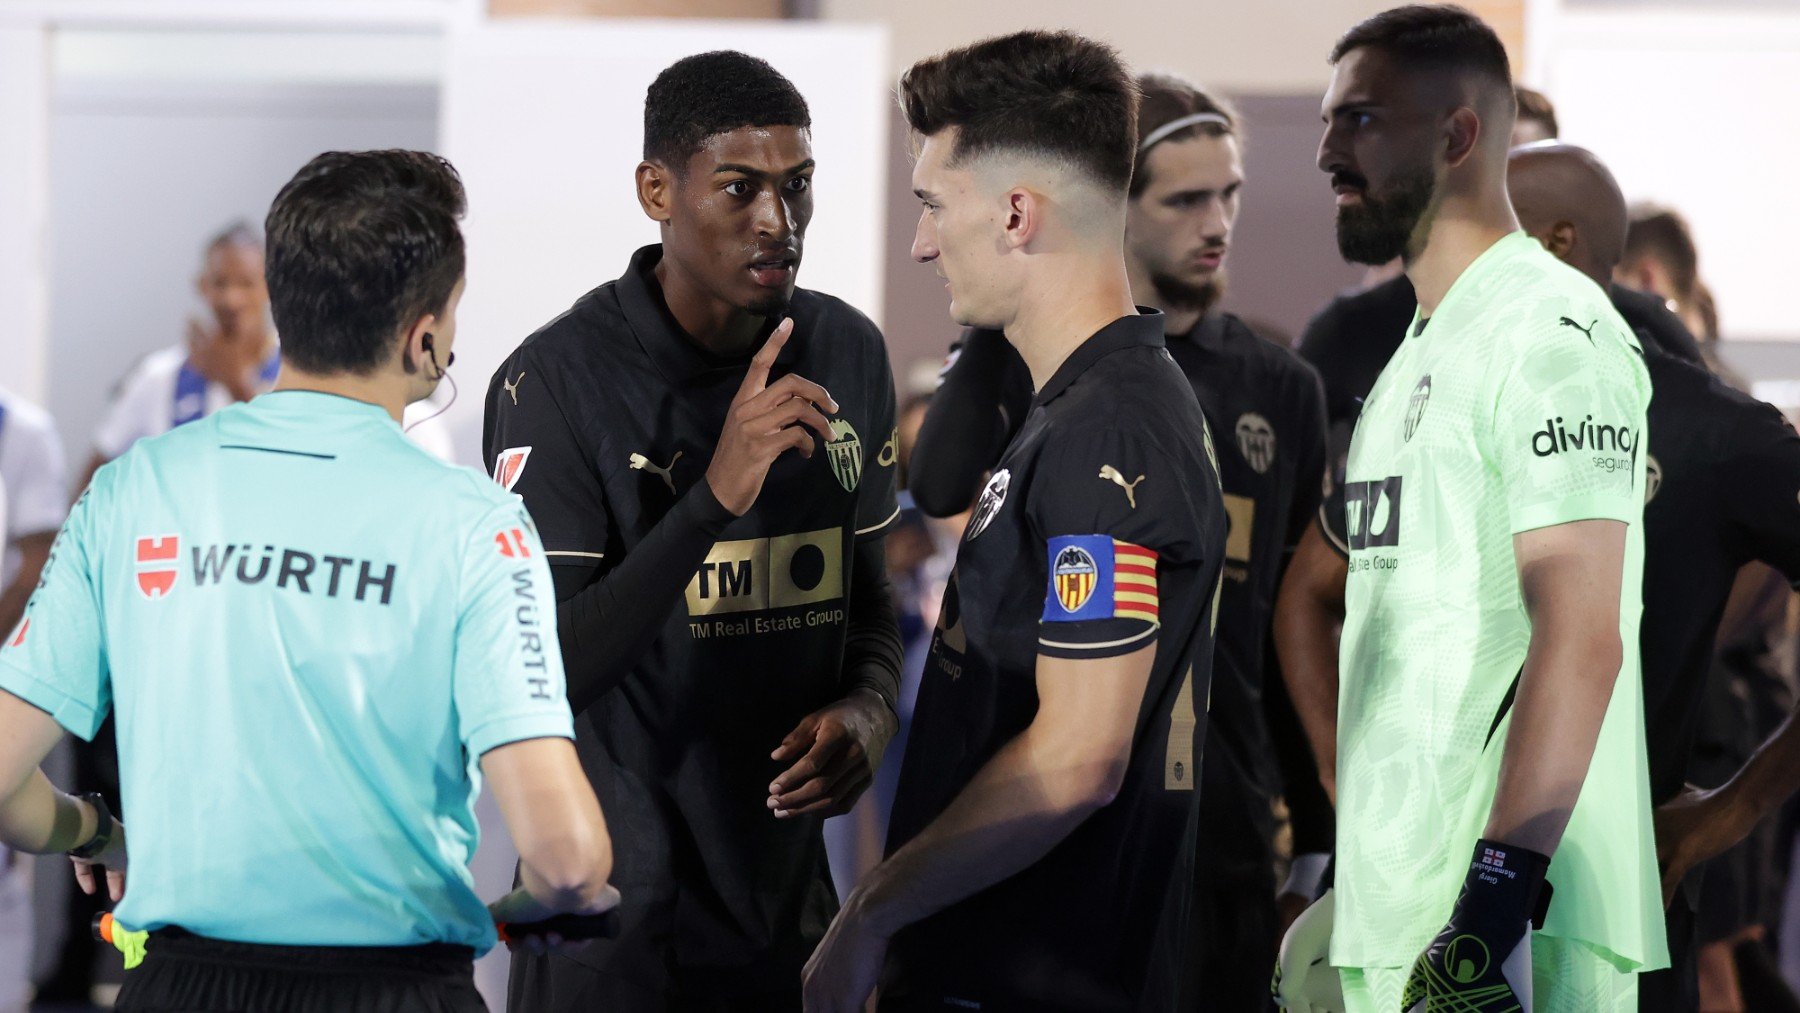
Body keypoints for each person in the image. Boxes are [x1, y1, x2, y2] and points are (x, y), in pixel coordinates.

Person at [0, 149, 615, 1012]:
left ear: (283, 305)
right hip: (398, 990)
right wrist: (524, 912)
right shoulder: (477, 524)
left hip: (177, 986)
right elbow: (569, 856)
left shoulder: (132, 489)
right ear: (425, 336)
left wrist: (100, 832)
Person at [1275, 138, 1800, 1013]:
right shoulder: (1427, 393)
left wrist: (1733, 810)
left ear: (1552, 243)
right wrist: (1346, 788)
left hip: (1600, 912)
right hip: (1413, 898)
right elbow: (1308, 589)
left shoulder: (1713, 430)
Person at [802, 31, 1227, 1013]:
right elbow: (940, 473)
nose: (920, 241)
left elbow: (1079, 755)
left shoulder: (1112, 424)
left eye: (932, 205)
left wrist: (870, 908)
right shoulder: (1076, 404)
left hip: (1043, 977)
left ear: (1016, 212)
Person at [486, 51, 902, 1012]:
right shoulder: (552, 380)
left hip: (786, 915)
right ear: (656, 191)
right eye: (740, 188)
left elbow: (867, 593)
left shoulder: (847, 349)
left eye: (797, 187)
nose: (779, 221)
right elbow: (541, 676)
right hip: (610, 927)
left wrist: (871, 710)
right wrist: (713, 497)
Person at [904, 72, 1328, 1006]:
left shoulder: (1277, 386)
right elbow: (933, 483)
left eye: (1230, 193)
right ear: (1116, 210)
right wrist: (992, 325)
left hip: (1226, 826)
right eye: (1184, 199)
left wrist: (1317, 849)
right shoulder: (1049, 367)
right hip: (1068, 833)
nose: (1216, 221)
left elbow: (1295, 615)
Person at [1301, 7, 1664, 1008]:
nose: (1329, 149)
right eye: (1332, 121)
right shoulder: (1418, 349)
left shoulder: (1552, 333)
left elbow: (1582, 636)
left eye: (1362, 120)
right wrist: (1365, 880)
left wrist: (1486, 919)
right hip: (1404, 922)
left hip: (1509, 945)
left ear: (1459, 137)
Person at [74, 222, 280, 496]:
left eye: (246, 283)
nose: (232, 300)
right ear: (201, 286)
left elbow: (301, 458)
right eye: (221, 283)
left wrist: (236, 386)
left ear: (269, 286)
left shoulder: (297, 369)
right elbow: (94, 478)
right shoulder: (158, 376)